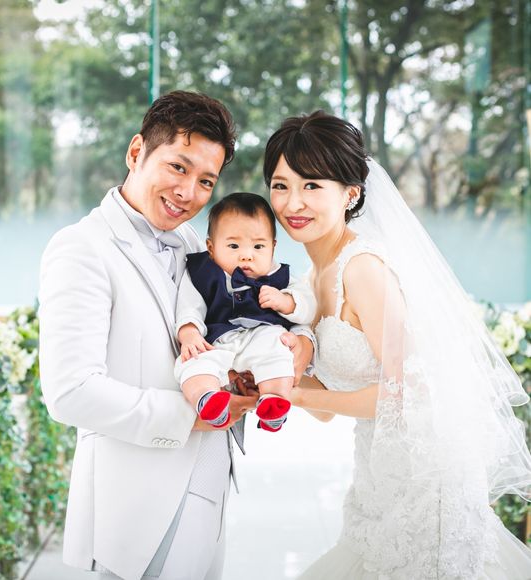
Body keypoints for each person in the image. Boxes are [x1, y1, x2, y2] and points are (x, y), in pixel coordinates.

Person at [38, 91, 314, 580]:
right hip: (139, 500)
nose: (188, 192)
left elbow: (247, 318)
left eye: (206, 180)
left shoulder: (198, 243)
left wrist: (291, 349)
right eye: (177, 167)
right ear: (136, 151)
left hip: (212, 482)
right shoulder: (81, 248)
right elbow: (70, 392)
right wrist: (192, 416)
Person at [262, 110, 531, 579]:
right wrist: (275, 377)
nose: (293, 202)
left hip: (426, 485)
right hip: (379, 478)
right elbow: (326, 409)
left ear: (350, 193)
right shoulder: (311, 278)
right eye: (281, 185)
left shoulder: (363, 269)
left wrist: (297, 396)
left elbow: (408, 393)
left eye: (312, 185)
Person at [174, 192, 316, 432]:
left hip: (262, 336)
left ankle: (274, 402)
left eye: (259, 246)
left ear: (273, 247)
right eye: (233, 246)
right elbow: (189, 306)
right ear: (211, 248)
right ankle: (206, 398)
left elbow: (309, 307)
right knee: (193, 361)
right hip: (217, 340)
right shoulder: (202, 274)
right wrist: (189, 333)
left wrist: (287, 302)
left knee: (277, 353)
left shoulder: (281, 277)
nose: (247, 255)